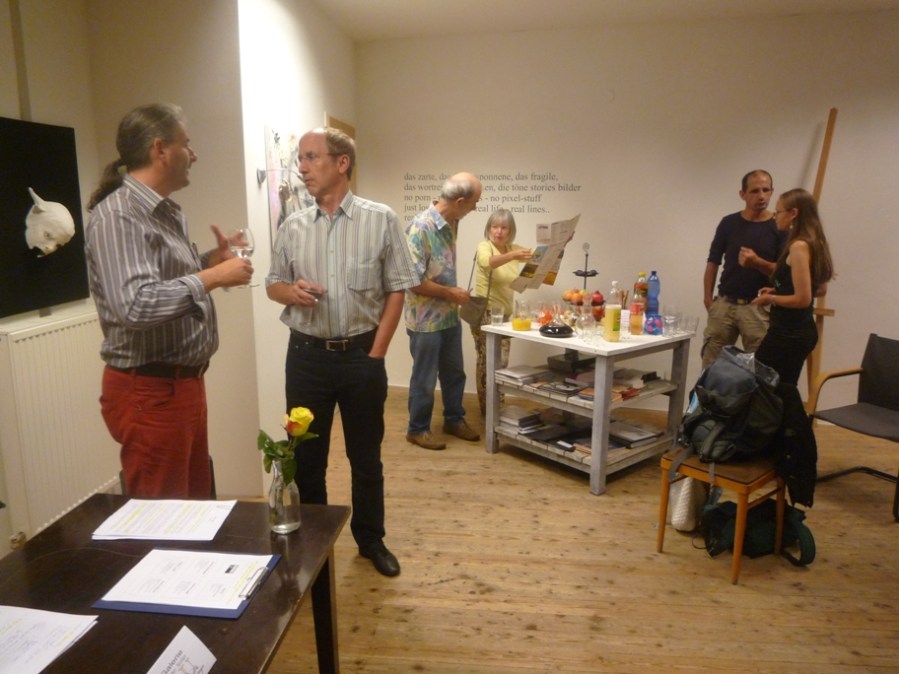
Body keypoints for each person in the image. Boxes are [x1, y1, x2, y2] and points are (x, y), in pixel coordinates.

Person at [266, 127, 418, 578]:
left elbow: (398, 288)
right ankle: (314, 542)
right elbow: (273, 284)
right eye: (300, 158)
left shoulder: (380, 219)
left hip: (360, 358)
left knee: (365, 458)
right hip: (306, 358)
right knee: (305, 458)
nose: (303, 167)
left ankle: (371, 539)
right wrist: (291, 292)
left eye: (312, 157)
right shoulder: (292, 226)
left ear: (342, 162)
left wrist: (377, 352)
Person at [85, 103, 252, 499]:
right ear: (160, 149)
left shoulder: (165, 213)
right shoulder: (119, 216)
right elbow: (135, 305)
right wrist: (213, 277)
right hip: (150, 391)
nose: (194, 154)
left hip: (181, 385)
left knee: (193, 506)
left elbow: (163, 279)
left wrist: (210, 261)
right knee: (163, 516)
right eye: (186, 144)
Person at [404, 172, 484, 451]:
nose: (475, 208)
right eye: (474, 202)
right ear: (460, 201)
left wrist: (452, 296)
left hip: (448, 316)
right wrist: (451, 293)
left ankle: (454, 419)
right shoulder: (420, 228)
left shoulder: (452, 223)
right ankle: (417, 429)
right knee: (424, 378)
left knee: (454, 373)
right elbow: (412, 281)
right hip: (424, 320)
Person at [702, 170, 786, 368]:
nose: (761, 196)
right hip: (725, 303)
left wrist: (757, 262)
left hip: (758, 307)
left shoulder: (779, 226)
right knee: (711, 367)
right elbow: (713, 262)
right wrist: (708, 299)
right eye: (755, 191)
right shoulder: (729, 223)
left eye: (766, 190)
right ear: (743, 194)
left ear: (772, 191)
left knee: (760, 369)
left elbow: (784, 272)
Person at [751, 188, 834, 386]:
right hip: (797, 330)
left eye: (778, 212)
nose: (775, 217)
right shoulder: (815, 242)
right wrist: (778, 290)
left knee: (765, 383)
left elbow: (803, 299)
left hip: (790, 332)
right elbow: (819, 289)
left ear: (793, 213)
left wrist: (770, 299)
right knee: (781, 387)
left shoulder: (799, 246)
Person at [469, 209, 532, 415]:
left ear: (510, 230)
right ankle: (488, 411)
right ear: (489, 228)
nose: (499, 231)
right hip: (486, 313)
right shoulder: (485, 247)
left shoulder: (513, 248)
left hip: (505, 315)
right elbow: (488, 262)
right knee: (488, 362)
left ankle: (498, 407)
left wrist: (561, 244)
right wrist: (512, 255)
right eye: (495, 227)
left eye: (504, 227)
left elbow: (539, 256)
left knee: (502, 363)